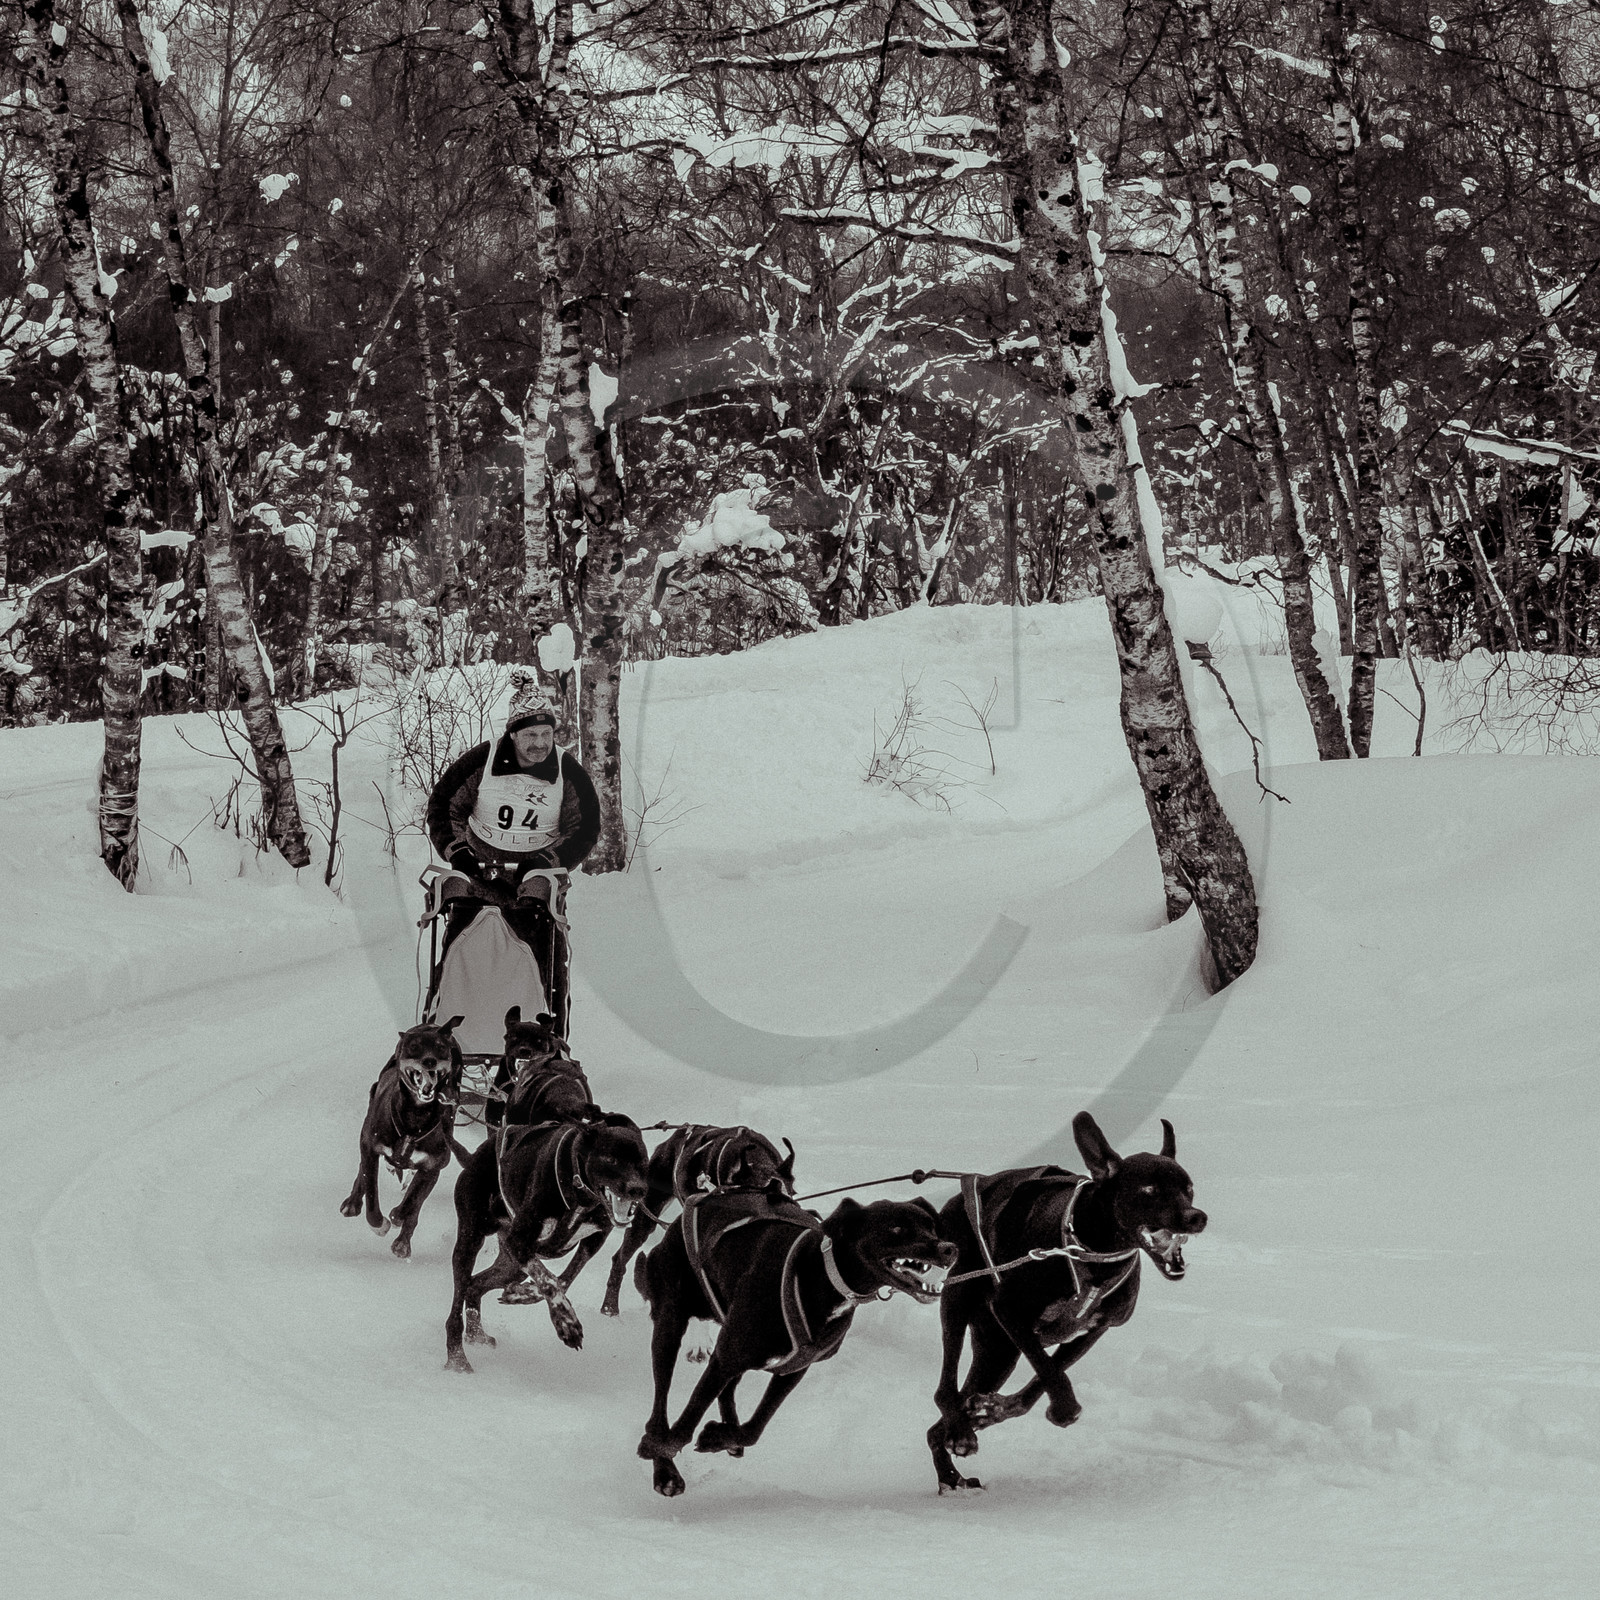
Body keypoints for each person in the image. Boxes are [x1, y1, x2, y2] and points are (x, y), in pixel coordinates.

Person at [425, 675, 599, 1034]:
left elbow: (585, 827)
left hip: (537, 880)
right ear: (513, 735)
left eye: (546, 734)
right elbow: (443, 806)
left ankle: (551, 1040)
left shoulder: (567, 770)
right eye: (531, 735)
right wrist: (459, 854)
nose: (540, 744)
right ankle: (439, 1033)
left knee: (545, 963)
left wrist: (549, 861)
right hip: (480, 873)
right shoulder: (482, 760)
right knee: (461, 954)